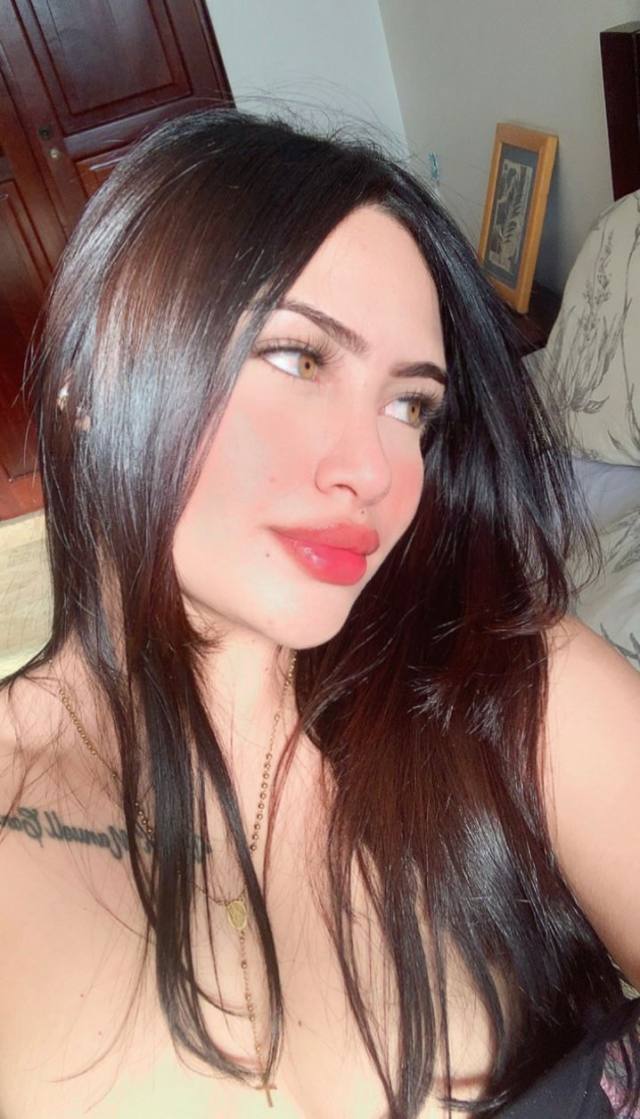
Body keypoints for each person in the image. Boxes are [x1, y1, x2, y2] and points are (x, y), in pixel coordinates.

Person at [0, 107, 638, 1119]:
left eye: (410, 405)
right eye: (300, 359)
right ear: (92, 376)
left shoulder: (517, 693)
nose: (374, 471)